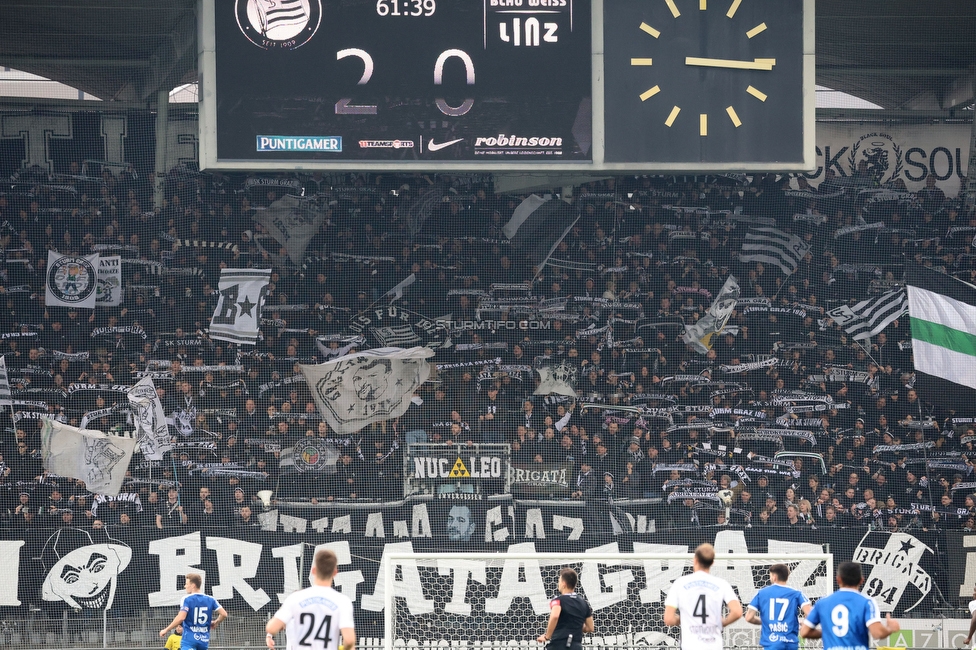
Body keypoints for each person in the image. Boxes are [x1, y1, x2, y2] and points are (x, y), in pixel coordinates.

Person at [266, 549, 355, 650]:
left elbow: (271, 627)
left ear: (313, 570)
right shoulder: (343, 601)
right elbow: (349, 640)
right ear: (335, 572)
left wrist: (269, 635)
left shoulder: (296, 598)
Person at [800, 561, 899, 650]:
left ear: (838, 579)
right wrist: (890, 628)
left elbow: (804, 632)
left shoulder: (822, 602)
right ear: (861, 580)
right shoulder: (867, 602)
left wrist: (829, 632)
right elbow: (877, 633)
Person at [663, 543, 743, 650]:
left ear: (695, 560)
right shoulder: (721, 584)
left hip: (690, 645)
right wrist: (722, 623)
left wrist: (683, 619)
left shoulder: (680, 583)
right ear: (712, 562)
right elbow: (737, 612)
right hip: (714, 645)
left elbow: (668, 619)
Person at [745, 563, 812, 650]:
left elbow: (749, 617)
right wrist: (805, 623)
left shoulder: (762, 593)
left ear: (774, 577)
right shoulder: (796, 593)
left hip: (771, 643)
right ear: (787, 577)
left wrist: (766, 621)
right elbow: (811, 613)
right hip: (791, 643)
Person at [159, 573, 228, 650]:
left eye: (186, 584)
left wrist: (166, 629)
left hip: (189, 640)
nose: (185, 586)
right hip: (203, 640)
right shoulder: (211, 599)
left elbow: (181, 618)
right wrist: (216, 622)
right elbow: (224, 614)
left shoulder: (187, 599)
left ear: (193, 585)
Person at [536, 567, 594, 649]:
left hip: (559, 644)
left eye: (559, 581)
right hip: (576, 646)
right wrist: (574, 625)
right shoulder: (583, 603)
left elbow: (555, 616)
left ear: (564, 584)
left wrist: (547, 636)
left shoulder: (558, 601)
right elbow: (590, 628)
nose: (558, 584)